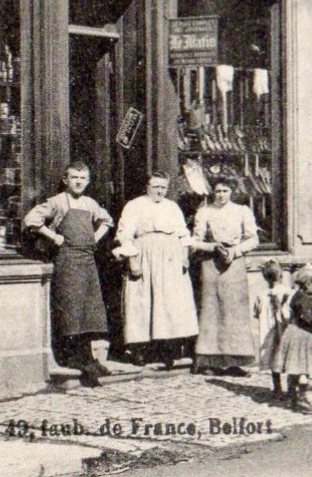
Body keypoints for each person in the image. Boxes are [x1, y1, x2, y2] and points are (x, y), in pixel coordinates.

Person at [24, 162, 113, 382]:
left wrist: (95, 237)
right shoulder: (57, 202)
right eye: (74, 177)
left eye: (83, 178)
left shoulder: (90, 204)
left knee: (89, 310)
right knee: (72, 309)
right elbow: (31, 220)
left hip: (87, 259)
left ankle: (89, 359)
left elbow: (107, 220)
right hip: (67, 260)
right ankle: (74, 358)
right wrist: (54, 237)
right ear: (66, 180)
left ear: (88, 180)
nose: (78, 182)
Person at [114, 173, 199, 367]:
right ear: (147, 187)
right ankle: (139, 350)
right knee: (142, 302)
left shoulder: (172, 207)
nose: (160, 191)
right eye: (155, 187)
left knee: (168, 302)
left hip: (170, 256)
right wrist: (132, 261)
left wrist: (184, 256)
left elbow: (183, 233)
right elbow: (125, 235)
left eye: (163, 187)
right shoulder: (134, 205)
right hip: (144, 254)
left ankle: (166, 349)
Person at [191, 179, 260, 375]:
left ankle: (234, 361)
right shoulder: (205, 212)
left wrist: (235, 251)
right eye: (217, 191)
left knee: (234, 311)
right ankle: (210, 361)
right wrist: (212, 247)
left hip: (234, 263)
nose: (221, 195)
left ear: (232, 191)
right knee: (211, 310)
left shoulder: (242, 211)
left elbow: (253, 238)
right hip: (211, 262)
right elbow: (195, 241)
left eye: (225, 190)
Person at [272, 266, 312, 412]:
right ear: (307, 284)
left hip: (295, 333)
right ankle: (301, 399)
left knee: (296, 366)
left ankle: (293, 394)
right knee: (303, 369)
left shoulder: (297, 296)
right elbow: (308, 318)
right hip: (302, 335)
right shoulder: (304, 300)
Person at [254, 260, 293, 401]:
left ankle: (277, 388)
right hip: (284, 329)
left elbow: (255, 312)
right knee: (288, 356)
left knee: (273, 357)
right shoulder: (287, 291)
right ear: (281, 275)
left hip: (268, 333)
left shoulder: (261, 295)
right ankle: (291, 387)